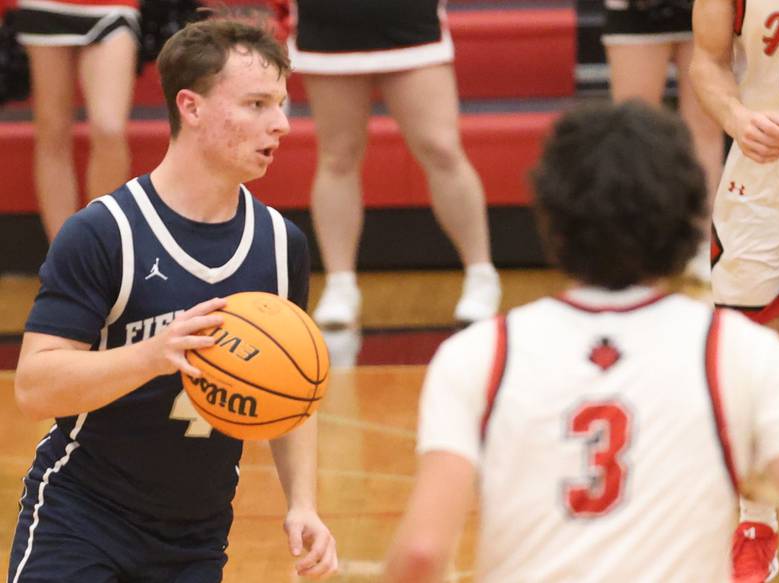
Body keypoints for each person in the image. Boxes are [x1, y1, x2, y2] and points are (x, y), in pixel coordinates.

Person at [383, 102, 779, 583]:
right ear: (688, 214)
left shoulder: (479, 354)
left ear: (551, 216)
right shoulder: (745, 353)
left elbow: (421, 553)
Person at [9, 17, 337, 582]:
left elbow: (294, 390)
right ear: (191, 107)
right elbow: (34, 386)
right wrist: (153, 355)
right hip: (82, 519)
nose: (280, 124)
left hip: (196, 538)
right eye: (257, 104)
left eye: (281, 104)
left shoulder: (283, 246)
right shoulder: (104, 232)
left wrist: (302, 502)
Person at [287, 0, 501, 327]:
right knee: (337, 156)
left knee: (441, 147)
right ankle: (340, 283)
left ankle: (481, 273)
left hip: (409, 17)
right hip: (327, 21)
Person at [690, 0, 779, 580]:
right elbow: (706, 60)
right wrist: (734, 117)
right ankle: (756, 521)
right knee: (751, 353)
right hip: (765, 170)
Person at [602, 0, 723, 282]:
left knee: (705, 128)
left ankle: (705, 242)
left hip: (704, 8)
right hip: (633, 10)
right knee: (633, 128)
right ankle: (638, 244)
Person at [12, 0, 140, 242]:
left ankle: (104, 250)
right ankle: (64, 261)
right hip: (43, 7)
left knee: (109, 128)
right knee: (52, 131)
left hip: (112, 7)